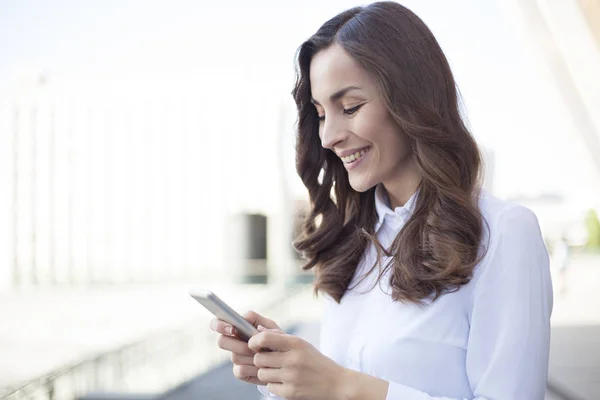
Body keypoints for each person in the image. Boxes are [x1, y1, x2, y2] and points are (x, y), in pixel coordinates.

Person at [210, 2, 553, 399]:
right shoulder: (354, 240)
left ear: (411, 98)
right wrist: (287, 371)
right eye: (321, 114)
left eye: (350, 107)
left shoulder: (504, 234)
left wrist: (344, 387)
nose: (328, 136)